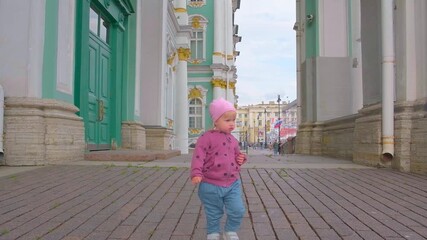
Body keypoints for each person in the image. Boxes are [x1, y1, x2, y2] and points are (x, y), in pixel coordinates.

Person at [191, 98, 247, 240]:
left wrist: (241, 158)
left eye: (233, 120)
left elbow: (236, 156)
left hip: (232, 183)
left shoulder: (233, 140)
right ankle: (213, 233)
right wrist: (196, 172)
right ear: (216, 120)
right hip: (210, 184)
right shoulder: (206, 138)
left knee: (238, 209)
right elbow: (198, 156)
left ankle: (230, 231)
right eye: (227, 120)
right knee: (213, 212)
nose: (232, 124)